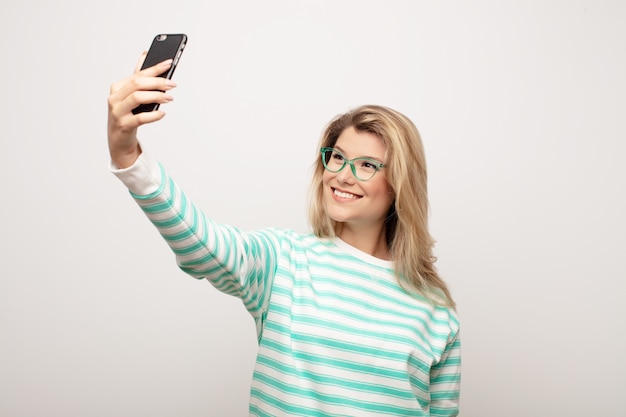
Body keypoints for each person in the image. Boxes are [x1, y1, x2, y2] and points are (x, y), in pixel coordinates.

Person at [108, 55, 461, 416]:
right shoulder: (284, 261)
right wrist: (128, 156)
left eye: (367, 165)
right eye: (336, 157)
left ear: (400, 184)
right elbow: (203, 245)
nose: (342, 174)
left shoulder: (435, 310)